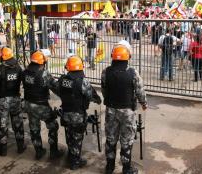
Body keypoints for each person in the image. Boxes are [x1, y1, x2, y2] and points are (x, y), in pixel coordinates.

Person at [101, 44, 147, 174]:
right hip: (127, 112)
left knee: (111, 138)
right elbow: (140, 91)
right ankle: (126, 169)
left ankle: (109, 167)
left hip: (111, 110)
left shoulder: (106, 72)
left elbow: (104, 90)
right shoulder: (133, 73)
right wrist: (144, 103)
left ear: (112, 57)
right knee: (126, 140)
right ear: (128, 57)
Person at [57, 55, 101, 170]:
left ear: (68, 67)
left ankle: (71, 155)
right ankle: (75, 162)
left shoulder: (62, 79)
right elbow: (92, 95)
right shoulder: (83, 81)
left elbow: (58, 90)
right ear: (81, 67)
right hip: (78, 114)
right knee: (77, 137)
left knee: (69, 134)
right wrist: (97, 99)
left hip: (65, 113)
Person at [22, 50, 64, 160]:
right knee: (53, 126)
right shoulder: (44, 74)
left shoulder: (25, 72)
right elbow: (56, 88)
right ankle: (54, 152)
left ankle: (39, 151)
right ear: (42, 62)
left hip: (28, 104)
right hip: (41, 105)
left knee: (34, 128)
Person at [0, 47, 26, 156]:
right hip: (15, 99)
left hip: (3, 100)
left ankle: (3, 150)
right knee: (17, 123)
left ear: (3, 57)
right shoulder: (19, 66)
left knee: (2, 125)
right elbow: (23, 81)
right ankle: (21, 146)